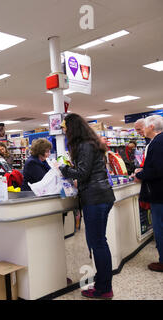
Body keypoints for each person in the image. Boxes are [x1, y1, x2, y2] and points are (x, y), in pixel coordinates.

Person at [58, 113, 116, 299]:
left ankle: (104, 288)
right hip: (100, 195)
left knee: (98, 243)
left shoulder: (84, 145)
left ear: (72, 128)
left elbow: (82, 173)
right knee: (97, 242)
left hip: (95, 198)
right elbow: (88, 172)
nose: (64, 131)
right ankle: (102, 283)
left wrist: (63, 168)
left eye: (65, 127)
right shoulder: (91, 143)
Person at [132, 115, 163, 272]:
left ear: (151, 127)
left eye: (144, 126)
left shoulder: (157, 143)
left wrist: (139, 175)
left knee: (160, 227)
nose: (142, 129)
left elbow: (157, 170)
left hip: (159, 194)